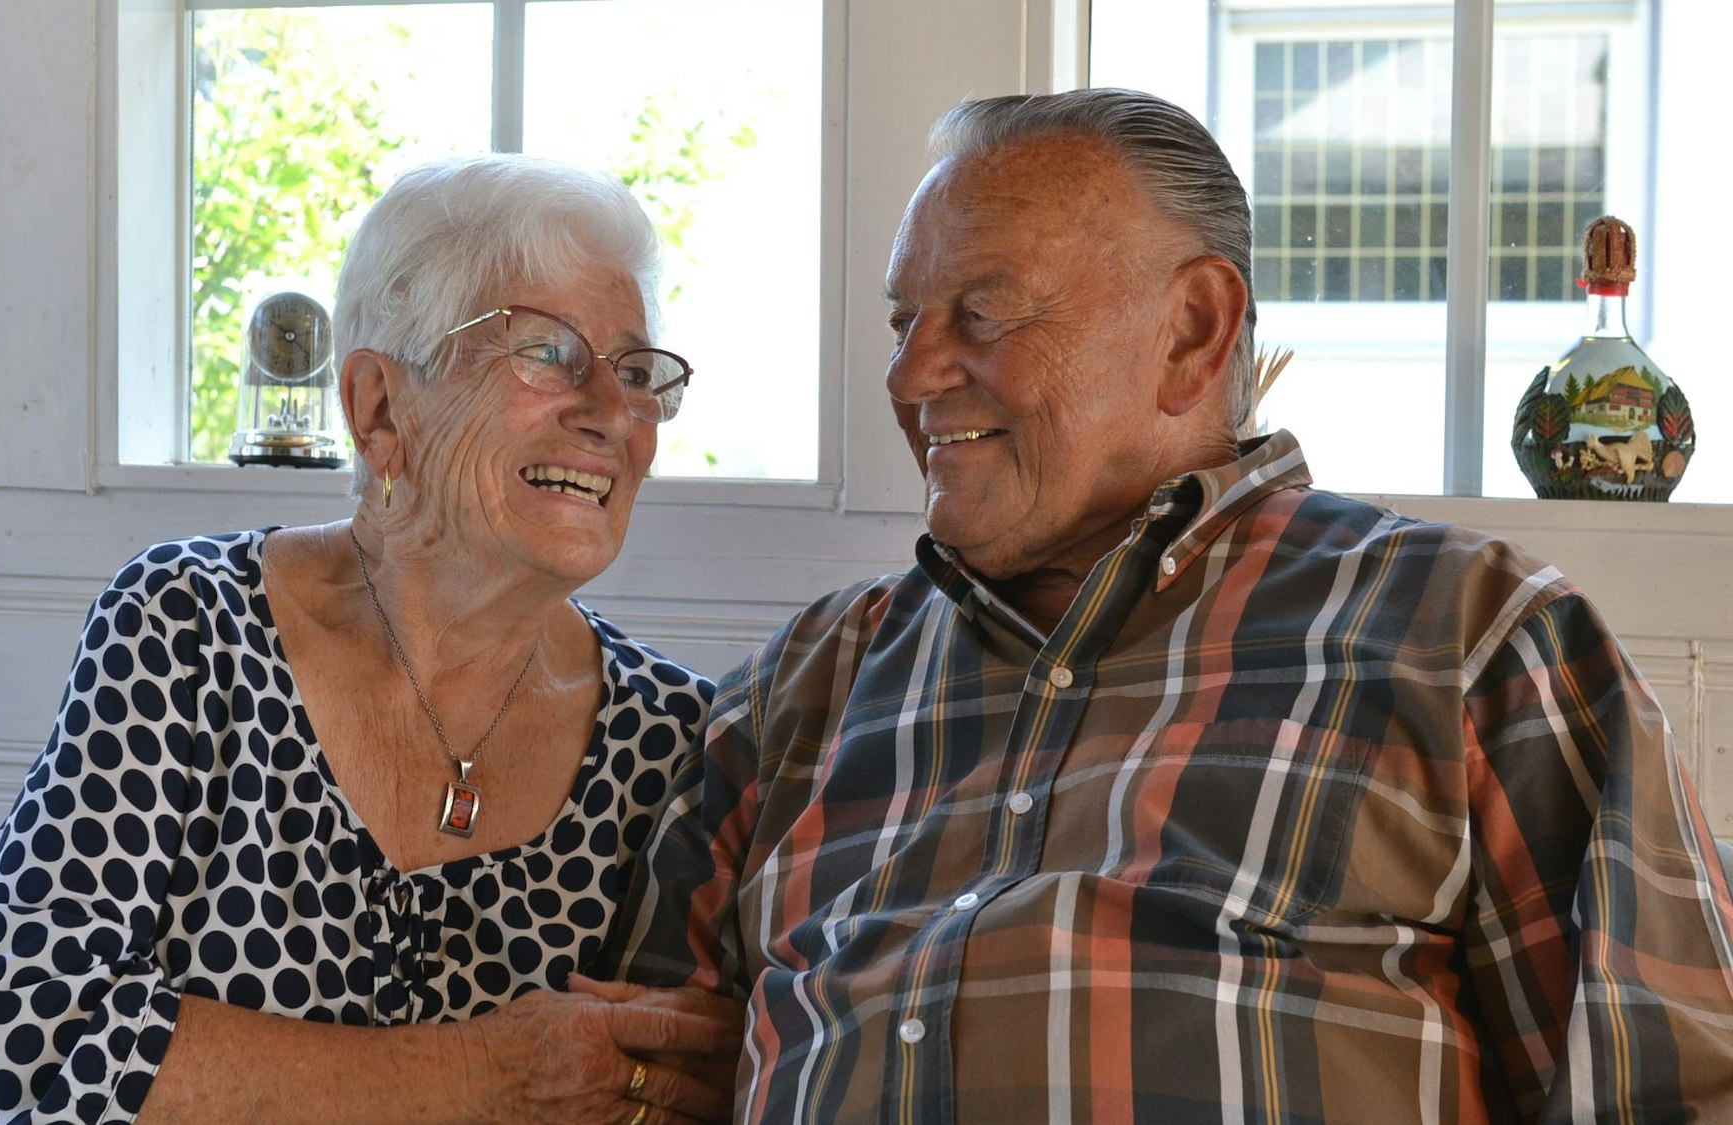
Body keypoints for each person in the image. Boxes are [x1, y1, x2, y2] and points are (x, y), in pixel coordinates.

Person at [605, 89, 1733, 1122]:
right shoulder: (807, 681)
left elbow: (1667, 1092)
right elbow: (639, 1083)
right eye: (904, 322)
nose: (909, 376)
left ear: (1191, 329)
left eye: (982, 314)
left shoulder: (1469, 638)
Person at [0, 155, 739, 1125]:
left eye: (635, 373)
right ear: (378, 407)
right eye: (546, 353)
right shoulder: (193, 626)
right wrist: (486, 1078)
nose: (607, 414)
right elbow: (18, 1053)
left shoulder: (675, 737)